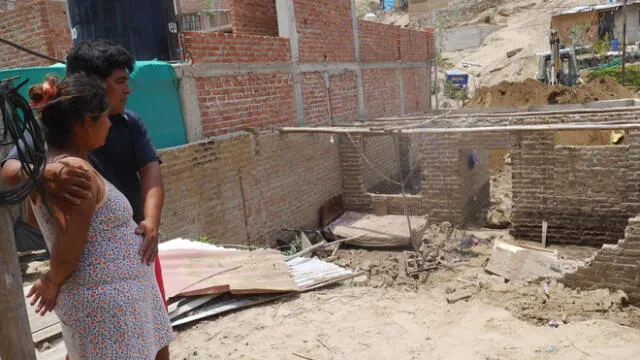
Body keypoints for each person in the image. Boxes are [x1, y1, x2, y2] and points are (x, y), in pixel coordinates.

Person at [1, 40, 170, 359]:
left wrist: (150, 221)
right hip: (106, 298)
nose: (128, 90)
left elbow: (151, 172)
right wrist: (52, 279)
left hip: (123, 288)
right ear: (84, 120)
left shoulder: (124, 126)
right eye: (120, 81)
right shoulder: (70, 167)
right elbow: (69, 239)